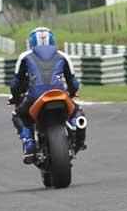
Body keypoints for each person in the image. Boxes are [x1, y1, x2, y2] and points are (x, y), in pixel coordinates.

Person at [9, 27, 85, 164]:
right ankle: (77, 127)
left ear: (32, 42)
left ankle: (29, 142)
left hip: (35, 96)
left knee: (17, 115)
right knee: (77, 110)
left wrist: (15, 98)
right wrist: (72, 93)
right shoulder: (63, 55)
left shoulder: (25, 56)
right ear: (52, 40)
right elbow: (73, 83)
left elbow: (15, 84)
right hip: (59, 94)